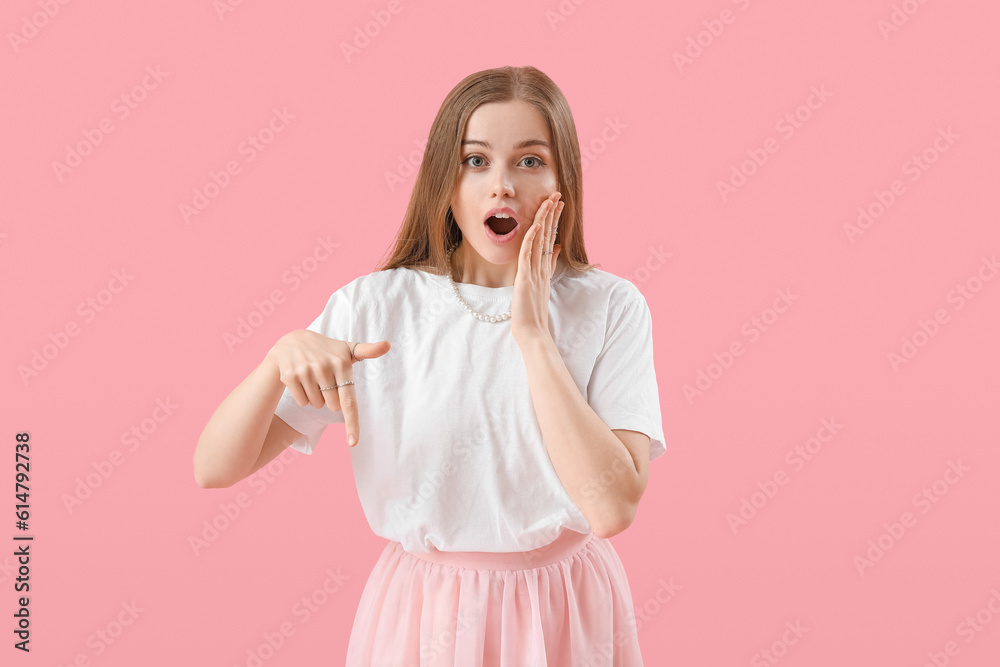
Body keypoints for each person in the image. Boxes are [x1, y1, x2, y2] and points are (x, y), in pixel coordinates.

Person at [194, 65, 665, 666]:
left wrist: (534, 339)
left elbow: (614, 506)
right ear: (444, 183)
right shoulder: (375, 306)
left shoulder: (610, 306)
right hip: (426, 613)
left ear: (562, 180)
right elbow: (213, 468)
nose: (501, 186)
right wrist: (274, 363)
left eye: (529, 161)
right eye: (475, 161)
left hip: (566, 608)